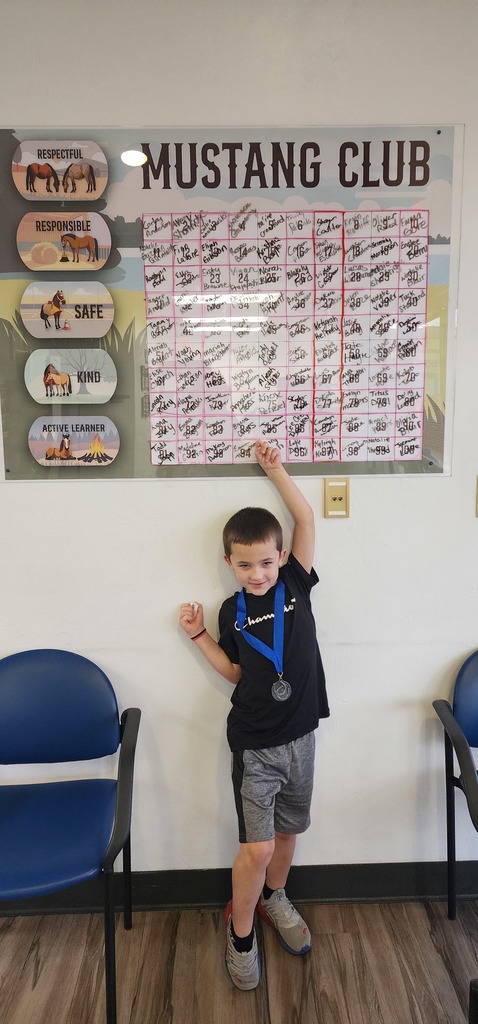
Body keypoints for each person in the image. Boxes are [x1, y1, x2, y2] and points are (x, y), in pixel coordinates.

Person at [179, 440, 329, 990]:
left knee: (288, 835)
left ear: (283, 557)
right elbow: (238, 673)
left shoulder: (295, 583)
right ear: (229, 563)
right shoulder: (231, 610)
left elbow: (305, 515)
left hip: (303, 735)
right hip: (255, 743)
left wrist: (275, 468)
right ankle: (241, 930)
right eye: (245, 564)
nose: (257, 572)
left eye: (266, 561)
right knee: (258, 845)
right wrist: (198, 636)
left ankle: (274, 897)